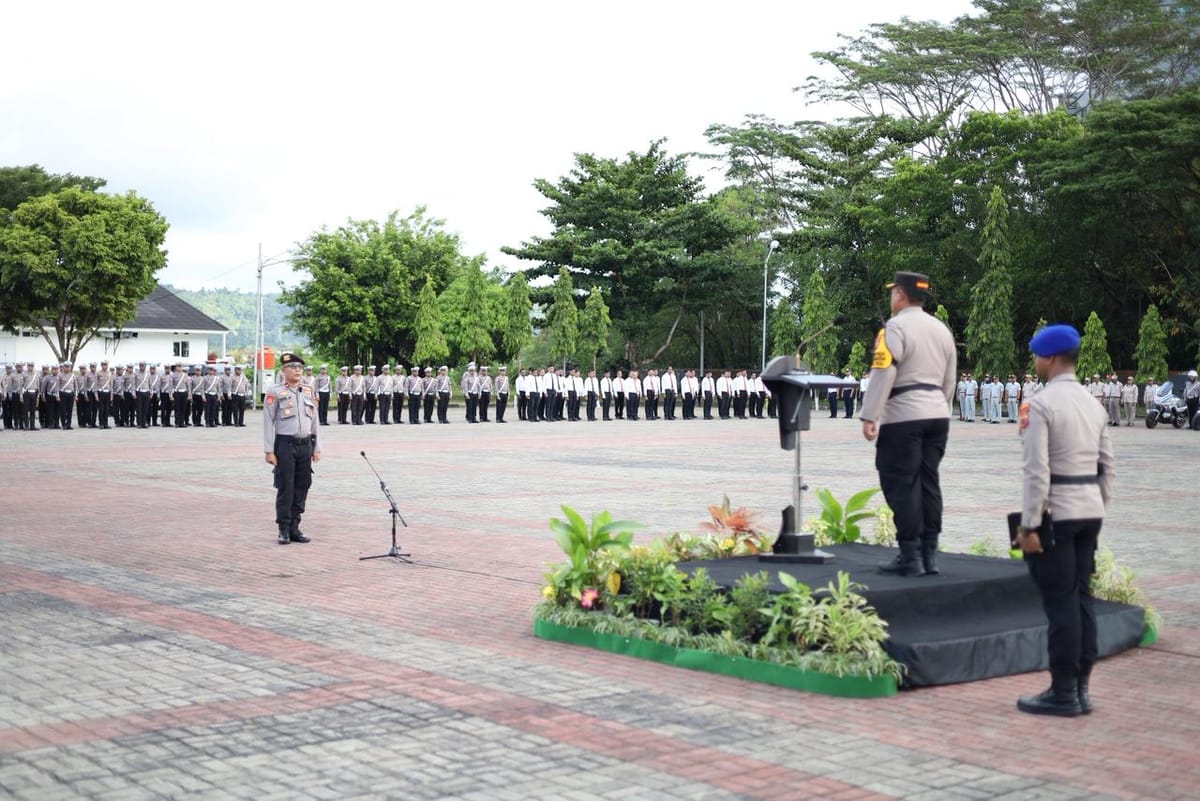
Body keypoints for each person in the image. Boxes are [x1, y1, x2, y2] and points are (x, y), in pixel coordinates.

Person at [1014, 324, 1114, 717]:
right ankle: (1082, 687)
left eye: (1038, 354)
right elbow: (1108, 465)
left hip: (1057, 512)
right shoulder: (1093, 402)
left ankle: (1063, 690)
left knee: (1060, 603)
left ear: (1051, 359)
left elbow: (1036, 471)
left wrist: (1029, 524)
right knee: (1082, 598)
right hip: (1090, 510)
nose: (1036, 361)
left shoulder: (1041, 404)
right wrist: (1096, 503)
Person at [859, 271, 957, 577]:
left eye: (893, 293)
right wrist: (941, 408)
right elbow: (950, 378)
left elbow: (884, 371)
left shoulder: (895, 328)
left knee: (902, 482)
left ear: (900, 294)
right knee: (929, 481)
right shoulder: (941, 329)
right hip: (937, 414)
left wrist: (870, 414)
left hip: (904, 415)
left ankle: (910, 555)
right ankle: (930, 555)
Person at [263, 352, 321, 545]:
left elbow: (315, 421)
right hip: (285, 445)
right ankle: (284, 528)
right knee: (285, 486)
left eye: (300, 368)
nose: (298, 371)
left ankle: (296, 527)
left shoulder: (308, 391)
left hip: (305, 445)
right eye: (293, 367)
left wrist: (317, 447)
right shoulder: (275, 391)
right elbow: (267, 422)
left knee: (302, 486)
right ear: (283, 370)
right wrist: (269, 450)